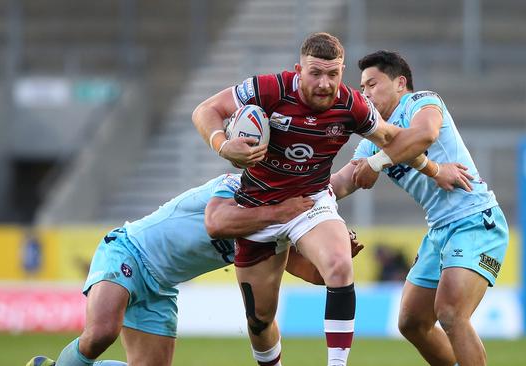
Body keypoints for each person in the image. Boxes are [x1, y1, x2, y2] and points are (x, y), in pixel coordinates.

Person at [192, 32, 469, 366]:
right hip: (259, 205)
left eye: (333, 74)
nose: (325, 84)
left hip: (311, 202)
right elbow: (206, 110)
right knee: (260, 320)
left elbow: (392, 139)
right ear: (299, 70)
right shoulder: (271, 89)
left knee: (340, 266)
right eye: (315, 73)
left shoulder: (352, 105)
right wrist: (223, 144)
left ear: (341, 72)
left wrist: (434, 169)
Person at [26, 173, 353, 366]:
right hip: (128, 251)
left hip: (161, 287)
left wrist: (335, 257)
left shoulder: (276, 230)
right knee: (102, 333)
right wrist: (282, 212)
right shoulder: (233, 186)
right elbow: (216, 225)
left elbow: (308, 271)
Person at [334, 50, 509, 366]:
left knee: (451, 312)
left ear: (400, 83)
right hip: (439, 231)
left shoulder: (421, 102)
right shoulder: (375, 136)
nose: (366, 93)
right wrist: (298, 196)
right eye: (362, 88)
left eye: (372, 84)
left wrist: (377, 162)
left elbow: (425, 134)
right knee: (411, 321)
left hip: (474, 219)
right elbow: (346, 182)